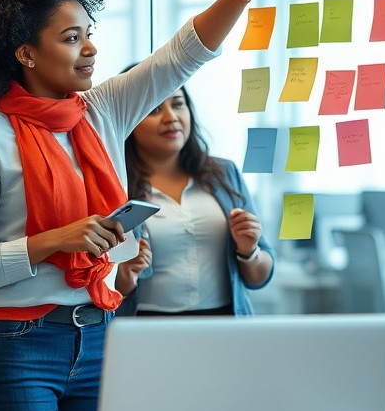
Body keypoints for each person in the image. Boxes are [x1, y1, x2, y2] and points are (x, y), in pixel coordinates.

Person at [0, 0, 283, 411]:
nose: (90, 49)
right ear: (26, 53)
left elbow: (182, 55)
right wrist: (56, 240)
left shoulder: (101, 112)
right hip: (19, 345)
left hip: (102, 335)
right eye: (70, 38)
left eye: (89, 34)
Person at [113, 83, 274, 316]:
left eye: (178, 104)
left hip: (224, 324)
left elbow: (259, 278)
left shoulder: (224, 173)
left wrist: (249, 251)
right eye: (153, 109)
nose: (171, 117)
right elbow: (99, 284)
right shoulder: (116, 185)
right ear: (129, 118)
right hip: (148, 328)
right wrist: (124, 277)